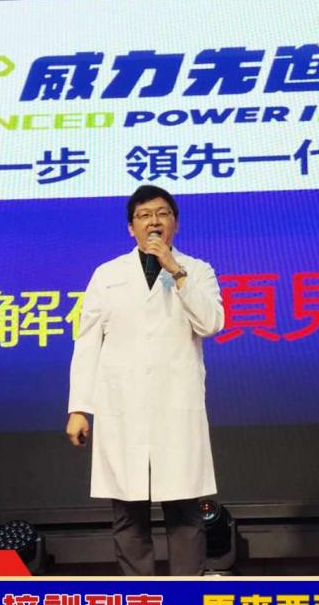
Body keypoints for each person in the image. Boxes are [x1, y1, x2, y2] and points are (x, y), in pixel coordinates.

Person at [65, 185, 224, 576]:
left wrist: (176, 271)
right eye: (144, 215)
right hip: (123, 406)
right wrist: (79, 408)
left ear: (175, 224)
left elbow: (211, 323)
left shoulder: (197, 271)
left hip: (176, 406)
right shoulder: (107, 275)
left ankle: (186, 601)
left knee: (184, 511)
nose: (154, 221)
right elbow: (88, 343)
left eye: (162, 213)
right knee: (128, 513)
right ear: (131, 227)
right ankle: (141, 600)